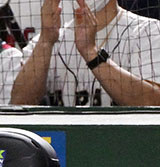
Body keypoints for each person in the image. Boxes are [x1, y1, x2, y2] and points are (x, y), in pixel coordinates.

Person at [10, 0, 160, 106]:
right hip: (66, 146)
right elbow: (19, 103)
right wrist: (45, 41)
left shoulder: (149, 31)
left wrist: (91, 53)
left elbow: (152, 103)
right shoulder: (50, 38)